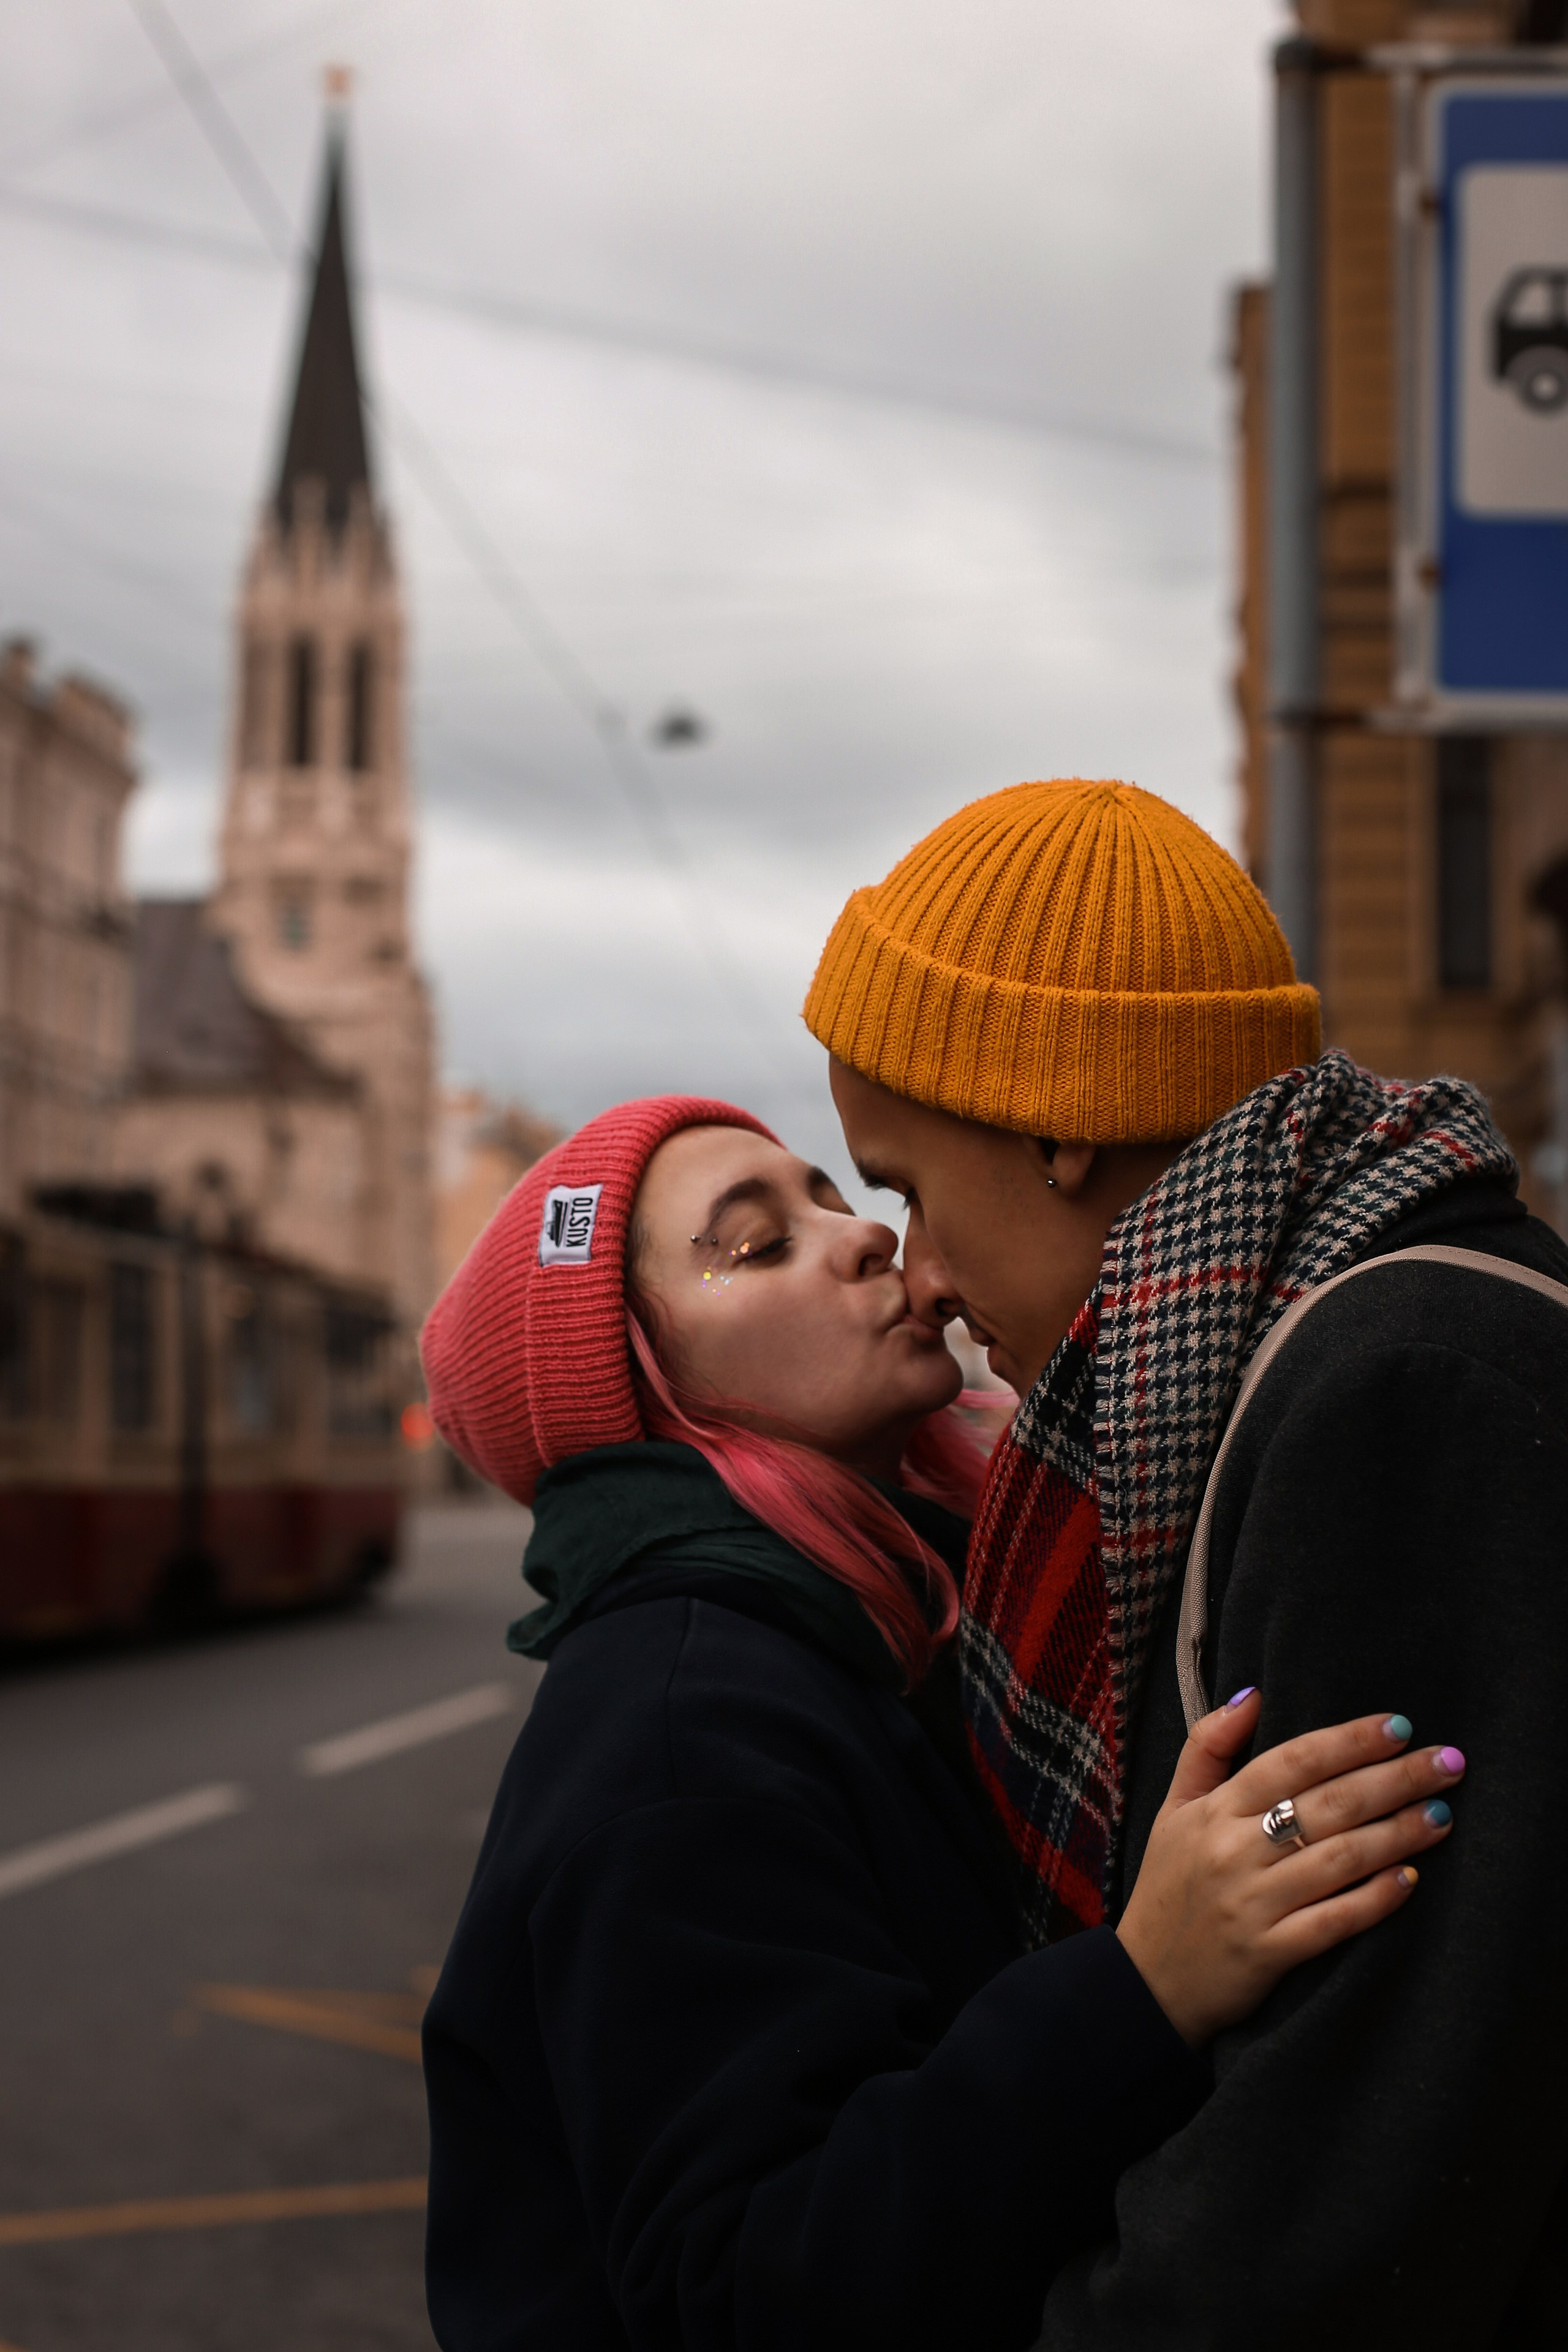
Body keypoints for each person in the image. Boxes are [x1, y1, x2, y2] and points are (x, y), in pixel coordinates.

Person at [418, 1093, 1463, 2351]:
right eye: (755, 1244)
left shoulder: (891, 1615)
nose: (857, 1238)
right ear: (648, 1398)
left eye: (828, 1196)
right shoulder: (674, 1729)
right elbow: (744, 2290)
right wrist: (1141, 1986)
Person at [804, 775, 1568, 2345]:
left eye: (908, 1192)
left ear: (1052, 1126)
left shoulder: (1395, 1389)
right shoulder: (1294, 1347)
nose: (922, 1281)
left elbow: (1343, 2184)